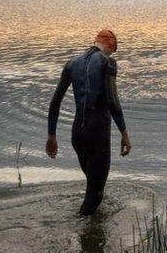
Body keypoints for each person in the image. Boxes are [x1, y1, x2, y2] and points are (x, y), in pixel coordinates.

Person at [47, 29, 132, 215]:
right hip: (97, 133)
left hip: (77, 133)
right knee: (96, 194)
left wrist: (51, 135)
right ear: (110, 45)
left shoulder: (71, 63)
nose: (112, 54)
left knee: (92, 186)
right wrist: (124, 133)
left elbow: (55, 101)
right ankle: (80, 229)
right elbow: (112, 100)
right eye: (113, 50)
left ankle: (94, 229)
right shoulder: (107, 61)